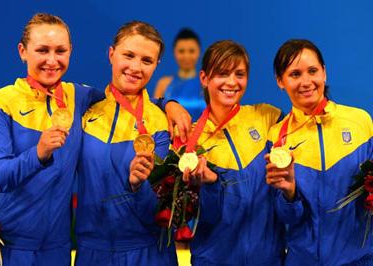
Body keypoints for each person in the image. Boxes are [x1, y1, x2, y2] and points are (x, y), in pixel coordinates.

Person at [0, 13, 189, 266]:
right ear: (23, 51)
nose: (52, 60)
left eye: (60, 51)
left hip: (57, 250)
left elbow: (126, 100)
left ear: (70, 52)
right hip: (7, 246)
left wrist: (169, 104)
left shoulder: (79, 97)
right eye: (42, 50)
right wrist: (38, 154)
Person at [74, 21, 178, 266]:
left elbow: (161, 209)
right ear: (111, 54)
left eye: (146, 60)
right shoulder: (85, 111)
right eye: (128, 55)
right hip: (93, 252)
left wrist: (138, 185)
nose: (135, 67)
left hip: (149, 252)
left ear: (156, 66)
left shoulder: (162, 122)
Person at [265, 39, 373, 265]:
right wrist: (290, 194)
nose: (306, 82)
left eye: (312, 71)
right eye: (295, 74)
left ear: (324, 73)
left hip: (358, 259)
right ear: (280, 81)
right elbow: (286, 217)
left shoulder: (360, 122)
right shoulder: (276, 138)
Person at [186, 40, 285, 265]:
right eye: (222, 73)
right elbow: (198, 217)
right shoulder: (190, 141)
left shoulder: (266, 117)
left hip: (267, 258)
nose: (232, 82)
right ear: (204, 78)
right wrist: (211, 185)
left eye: (239, 74)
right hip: (214, 259)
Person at [154, 28, 205, 120]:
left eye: (191, 51)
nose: (186, 56)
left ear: (199, 52)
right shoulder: (164, 84)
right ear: (174, 53)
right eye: (181, 51)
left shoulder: (206, 83)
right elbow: (156, 118)